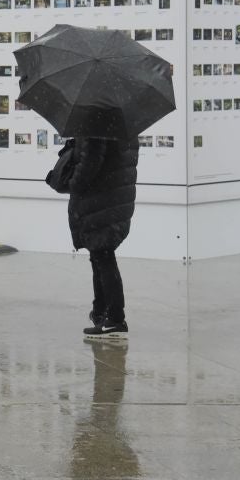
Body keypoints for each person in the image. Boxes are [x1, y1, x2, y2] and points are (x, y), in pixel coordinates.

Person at [47, 136, 139, 338]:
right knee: (100, 256)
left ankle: (114, 318)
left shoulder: (95, 129)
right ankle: (101, 312)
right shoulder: (124, 128)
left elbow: (90, 164)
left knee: (103, 258)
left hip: (100, 201)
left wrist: (71, 181)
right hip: (114, 199)